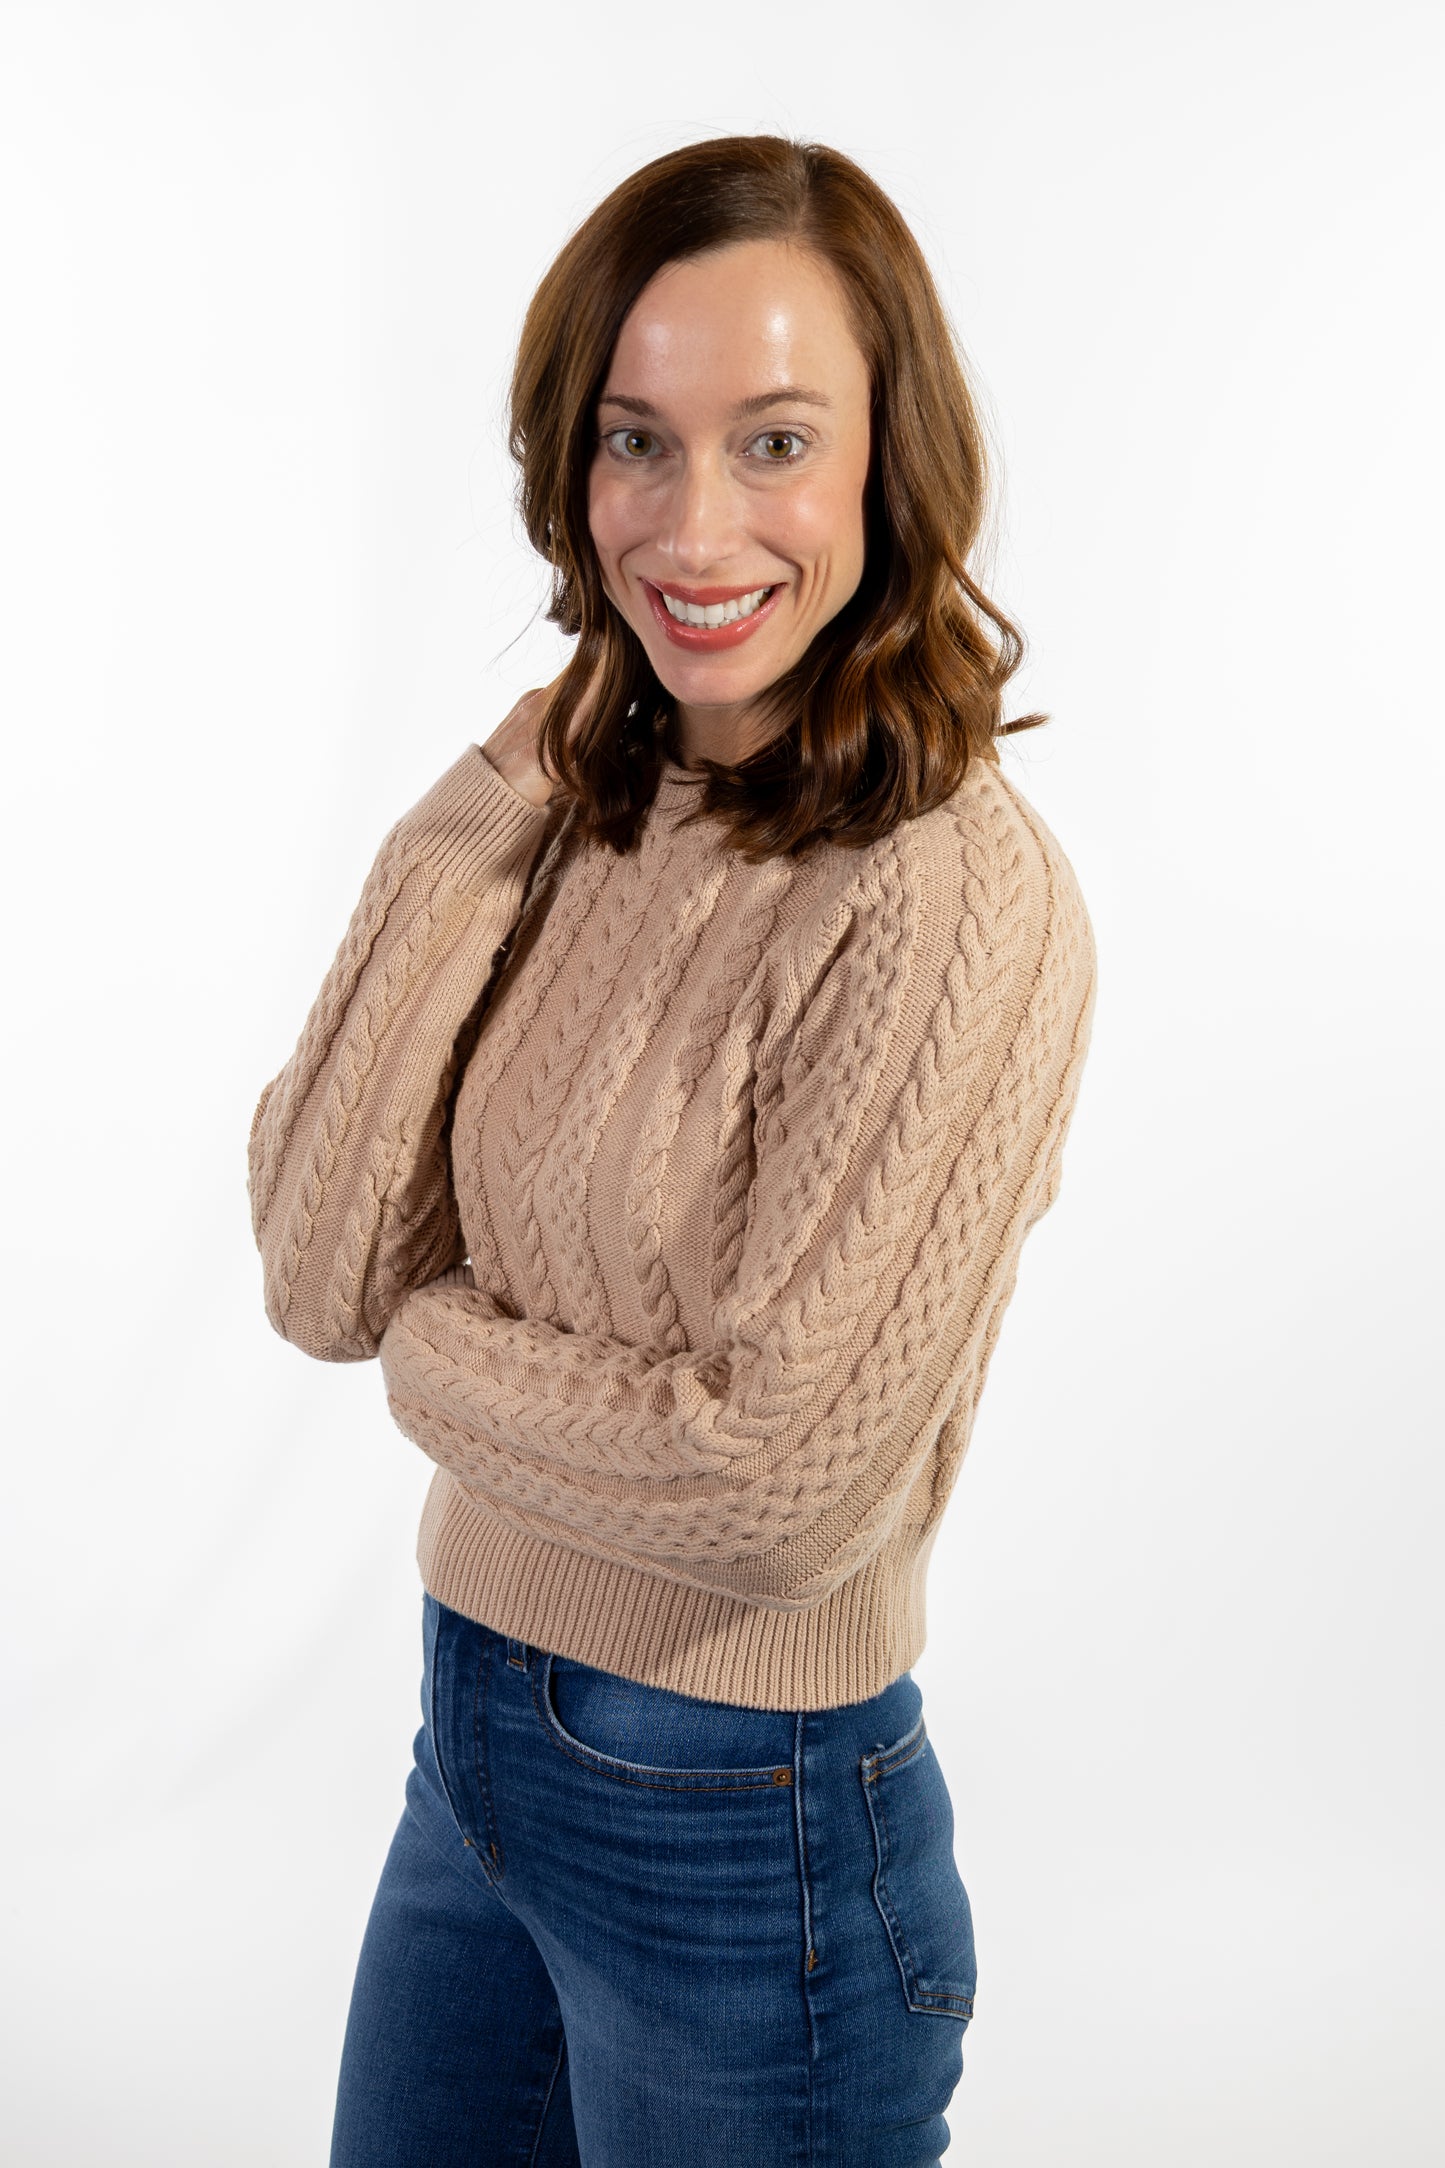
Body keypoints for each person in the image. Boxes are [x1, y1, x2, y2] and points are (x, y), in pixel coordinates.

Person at [247, 132, 1098, 2168]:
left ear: (894, 465)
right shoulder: (575, 811)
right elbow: (311, 1272)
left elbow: (770, 1482)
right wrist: (479, 815)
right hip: (471, 1766)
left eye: (777, 438)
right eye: (639, 440)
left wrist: (430, 1363)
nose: (694, 519)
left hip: (752, 1846)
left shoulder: (952, 900)